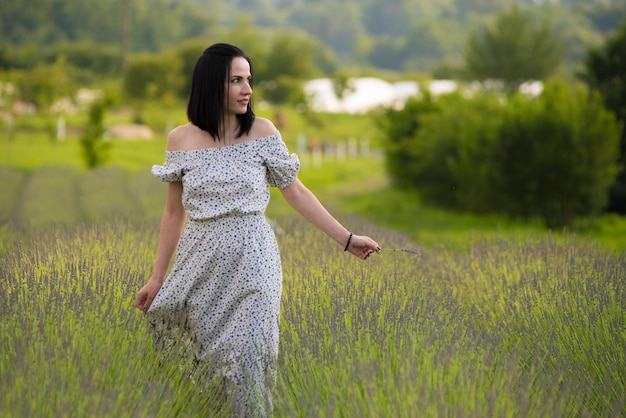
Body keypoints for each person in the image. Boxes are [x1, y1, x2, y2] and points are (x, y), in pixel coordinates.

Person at [134, 43, 381, 416]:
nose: (247, 89)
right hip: (200, 262)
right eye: (236, 80)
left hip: (254, 259)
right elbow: (173, 213)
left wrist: (346, 239)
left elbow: (295, 192)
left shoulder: (262, 132)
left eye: (248, 79)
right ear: (210, 85)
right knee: (205, 367)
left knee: (249, 360)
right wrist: (157, 277)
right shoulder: (180, 140)